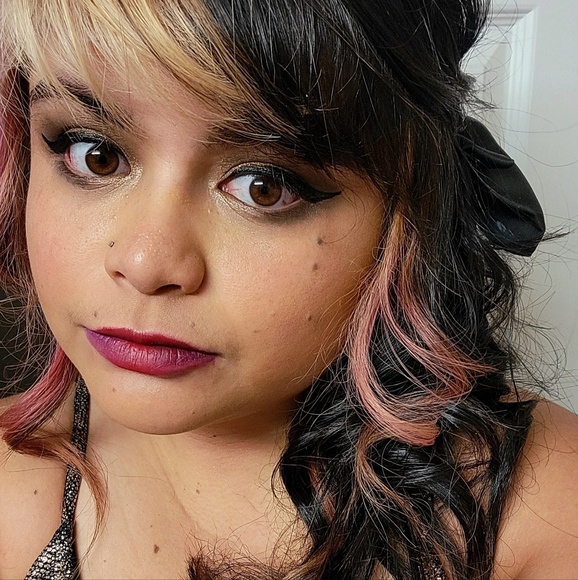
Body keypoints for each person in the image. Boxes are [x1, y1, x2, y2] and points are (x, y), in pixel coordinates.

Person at [0, 0, 577, 578]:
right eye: (95, 156)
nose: (146, 265)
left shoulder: (549, 514)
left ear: (405, 214)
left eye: (265, 186)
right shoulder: (13, 481)